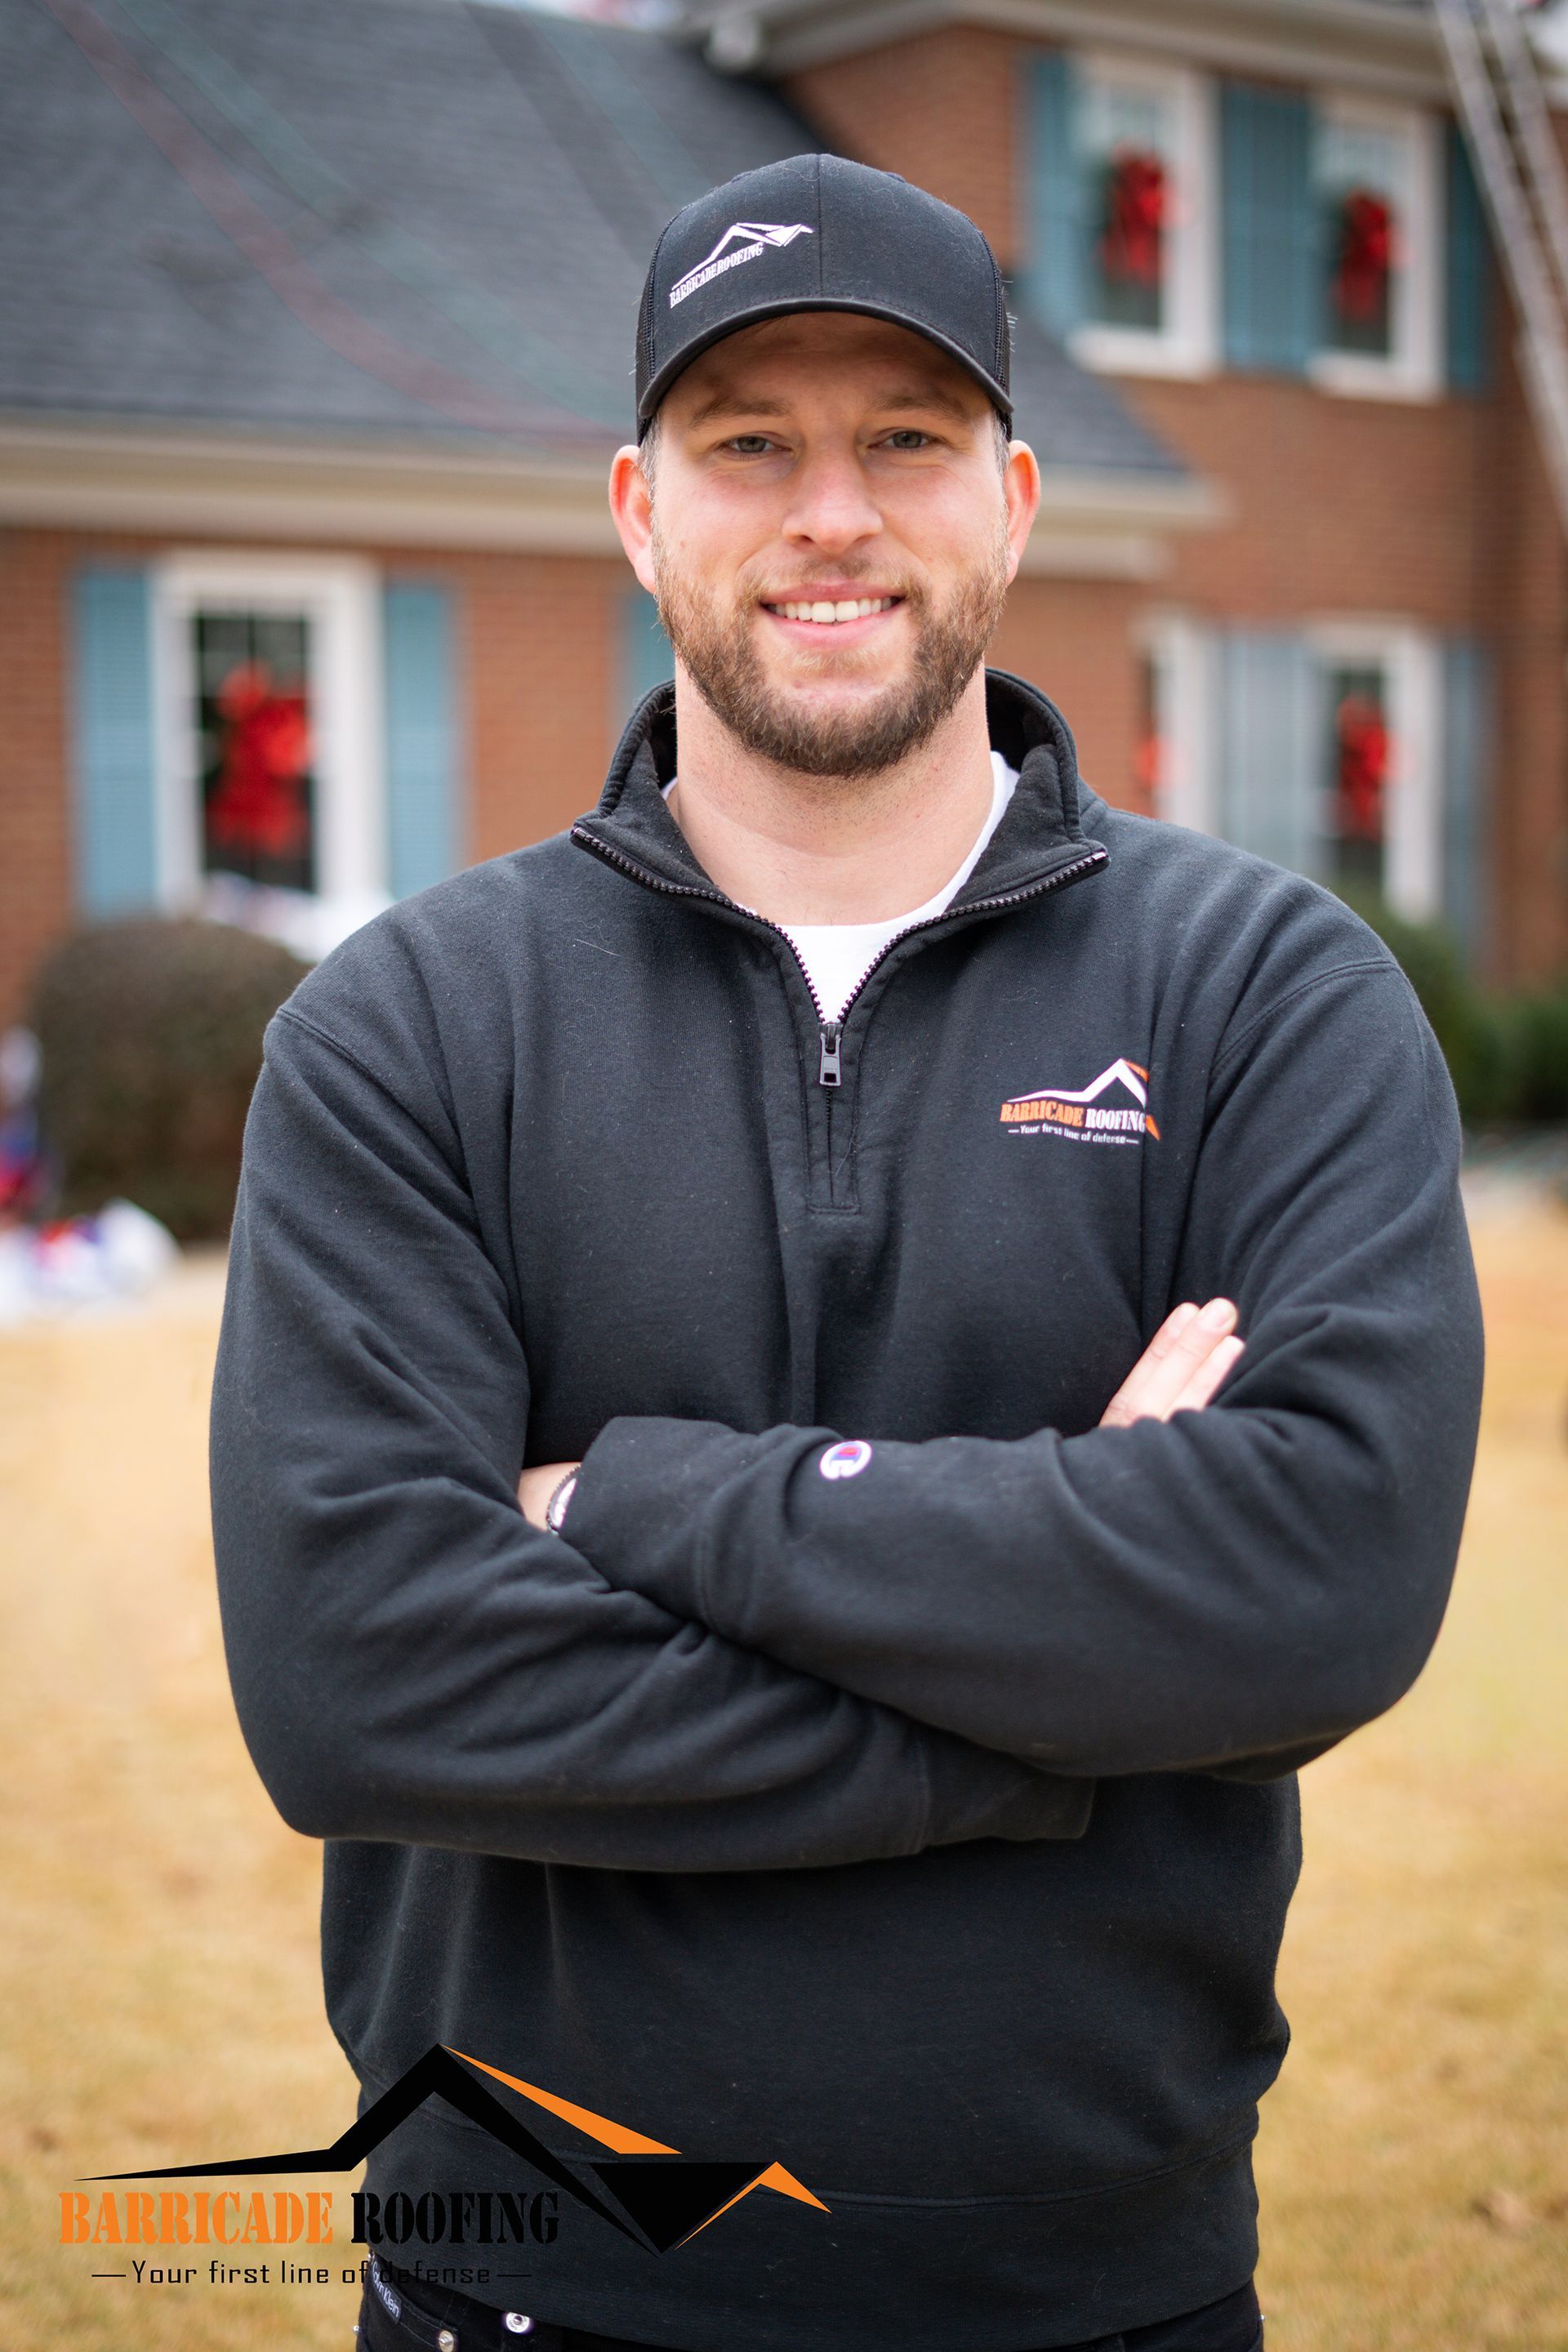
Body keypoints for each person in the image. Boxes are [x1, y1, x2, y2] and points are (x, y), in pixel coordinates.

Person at [210, 155, 1484, 2352]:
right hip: (535, 2286)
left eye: (902, 438)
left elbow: (1319, 1577)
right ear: (636, 506)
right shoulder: (409, 1028)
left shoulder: (1268, 993)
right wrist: (1049, 1710)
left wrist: (631, 1500)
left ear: (1008, 498)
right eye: (748, 445)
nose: (830, 516)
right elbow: (357, 1675)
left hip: (1093, 2294)